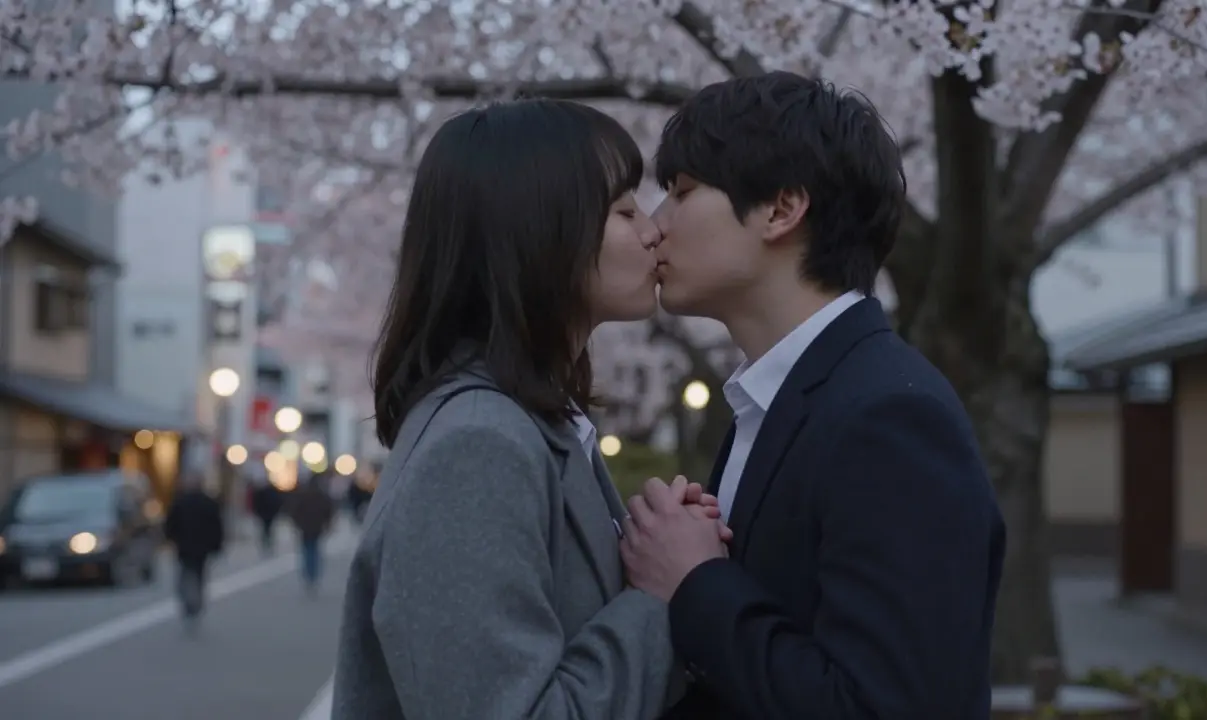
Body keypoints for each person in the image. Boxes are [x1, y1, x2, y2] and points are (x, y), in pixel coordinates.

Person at [620, 71, 1007, 718]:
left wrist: (695, 582)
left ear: (780, 209)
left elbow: (888, 706)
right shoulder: (782, 398)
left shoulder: (889, 417)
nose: (654, 228)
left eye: (681, 192)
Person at [331, 98, 729, 720]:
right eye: (624, 210)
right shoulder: (478, 446)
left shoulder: (531, 423)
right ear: (540, 234)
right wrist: (662, 592)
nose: (653, 228)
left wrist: (655, 548)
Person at [164, 471, 224, 632]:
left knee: (186, 574)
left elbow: (170, 524)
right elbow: (217, 526)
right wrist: (217, 545)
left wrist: (171, 539)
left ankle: (190, 602)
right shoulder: (208, 502)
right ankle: (195, 601)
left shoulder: (181, 502)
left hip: (185, 546)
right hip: (200, 547)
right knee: (198, 575)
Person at [286, 469, 335, 595]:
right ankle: (313, 575)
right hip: (316, 527)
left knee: (307, 551)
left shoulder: (303, 494)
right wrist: (328, 523)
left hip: (305, 527)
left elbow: (295, 510)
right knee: (315, 551)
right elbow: (328, 511)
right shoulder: (322, 495)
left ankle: (308, 575)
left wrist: (296, 523)